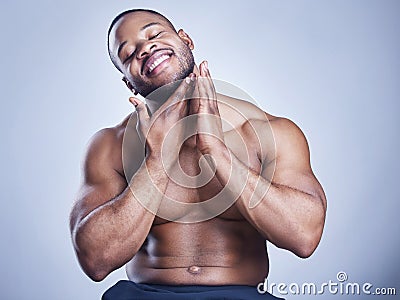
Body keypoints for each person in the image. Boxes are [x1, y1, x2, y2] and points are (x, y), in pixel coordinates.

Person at [69, 8, 327, 300]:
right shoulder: (109, 146)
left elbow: (304, 238)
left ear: (186, 40)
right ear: (129, 82)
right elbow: (96, 261)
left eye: (154, 34)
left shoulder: (269, 131)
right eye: (129, 54)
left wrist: (216, 151)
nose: (145, 48)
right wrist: (156, 163)